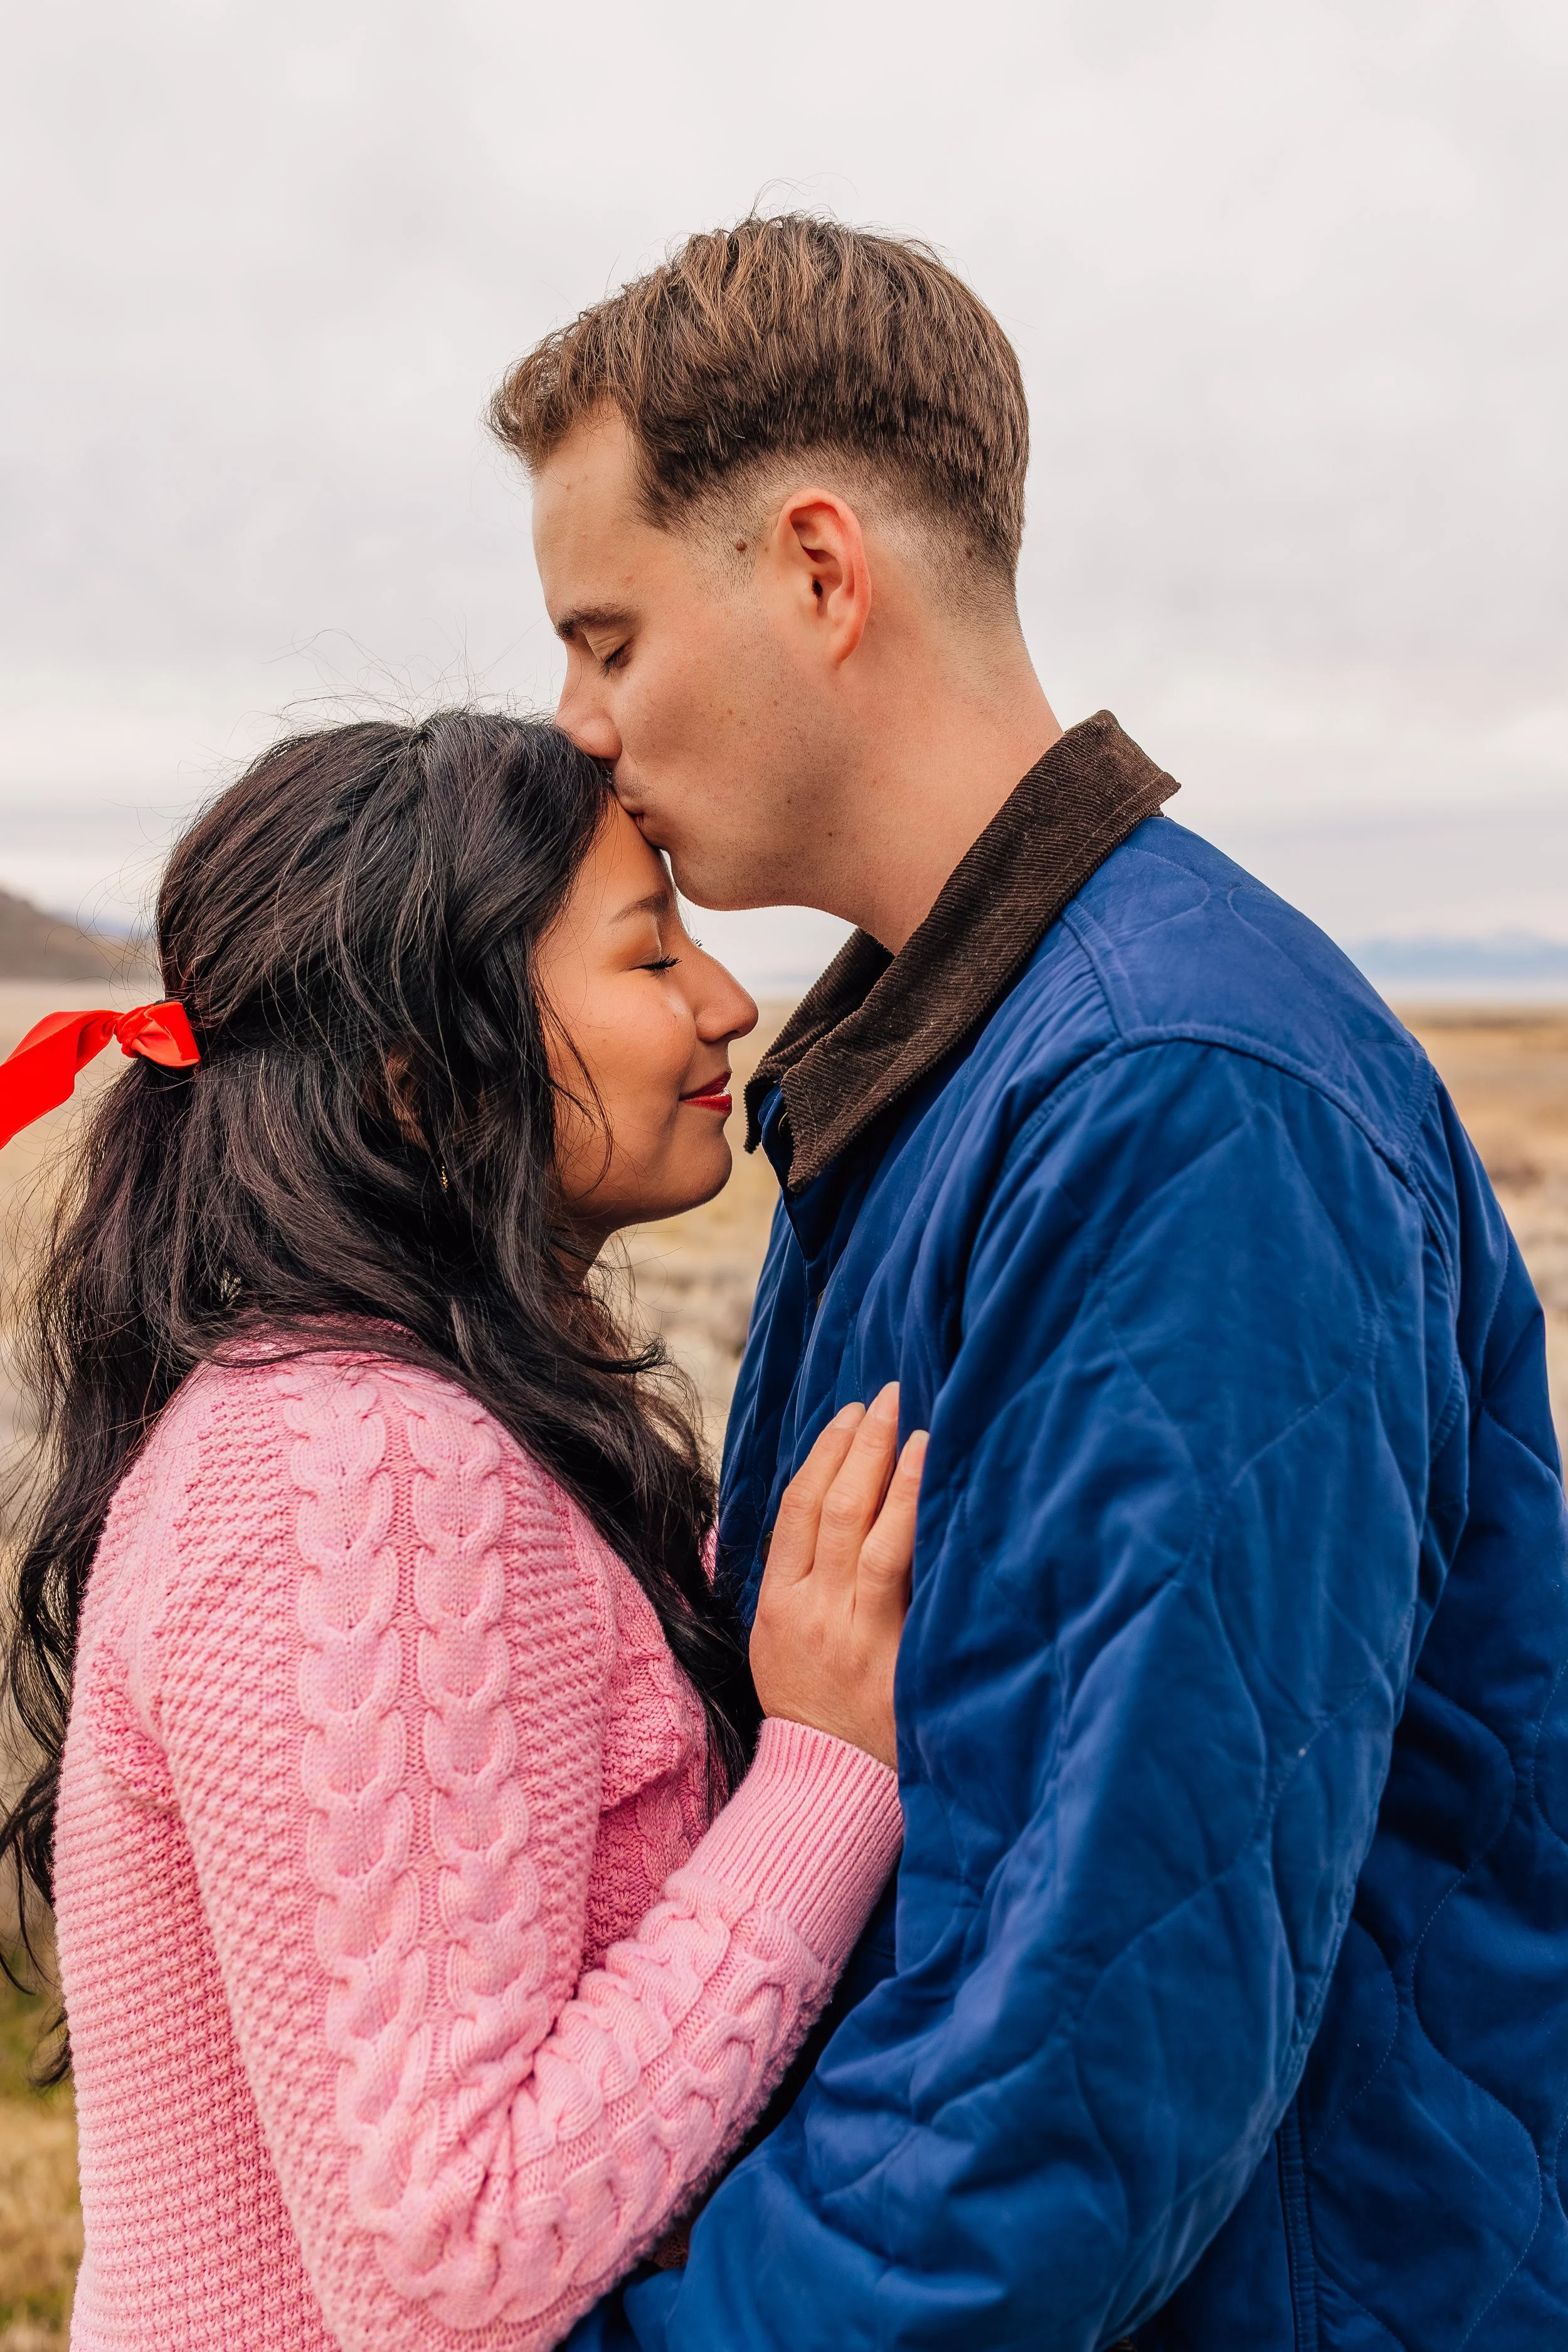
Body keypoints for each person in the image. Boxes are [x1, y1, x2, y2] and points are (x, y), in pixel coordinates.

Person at [492, 214, 1568, 2346]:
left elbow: (1085, 2053)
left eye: (606, 634)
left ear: (818, 570)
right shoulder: (961, 1066)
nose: (577, 722)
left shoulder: (1179, 1100)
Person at [0, 712, 926, 2349]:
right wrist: (825, 1774)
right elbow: (452, 2262)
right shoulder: (360, 1473)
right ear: (424, 1075)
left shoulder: (349, 1416)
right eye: (649, 957)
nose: (724, 1002)